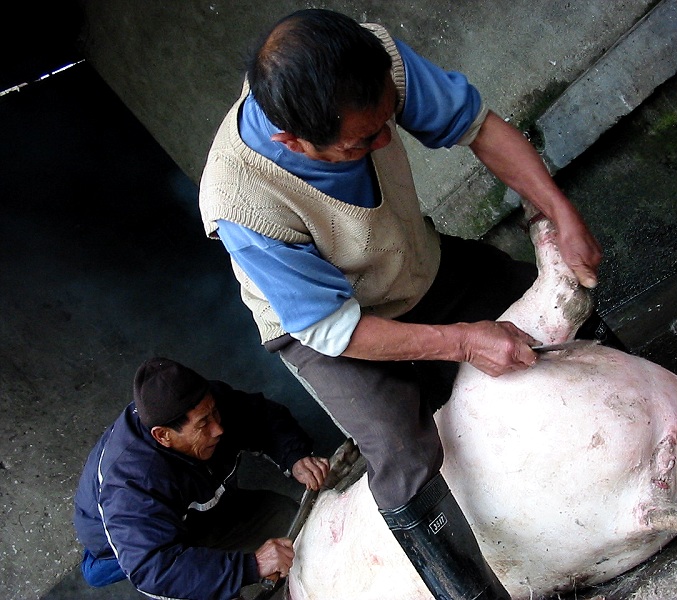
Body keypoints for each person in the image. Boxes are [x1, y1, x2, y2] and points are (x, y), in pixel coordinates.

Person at [199, 9, 624, 599]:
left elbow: (478, 128)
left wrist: (561, 210)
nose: (385, 141)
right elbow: (335, 330)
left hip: (410, 263)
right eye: (362, 142)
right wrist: (467, 339)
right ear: (291, 141)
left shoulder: (371, 64)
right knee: (403, 451)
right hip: (326, 331)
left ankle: (648, 410)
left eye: (386, 122)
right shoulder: (242, 203)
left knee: (538, 296)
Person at [73, 357, 329, 600]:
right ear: (163, 435)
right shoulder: (132, 484)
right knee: (201, 586)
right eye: (203, 424)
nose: (218, 428)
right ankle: (104, 564)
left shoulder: (205, 403)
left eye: (214, 414)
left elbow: (262, 418)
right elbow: (154, 567)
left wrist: (295, 456)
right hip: (142, 541)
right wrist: (250, 567)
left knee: (290, 519)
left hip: (198, 512)